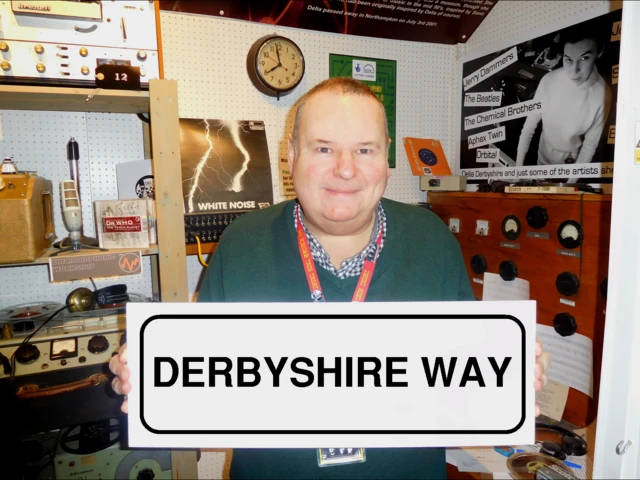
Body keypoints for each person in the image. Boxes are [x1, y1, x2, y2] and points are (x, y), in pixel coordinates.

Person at [111, 77, 551, 479]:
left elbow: (463, 394)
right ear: (292, 156)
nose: (346, 169)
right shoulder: (242, 243)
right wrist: (152, 382)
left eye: (365, 149)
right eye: (323, 148)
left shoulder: (432, 241)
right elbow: (203, 407)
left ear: (386, 158)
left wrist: (514, 375)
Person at [516, 23, 612, 171]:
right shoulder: (549, 80)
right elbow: (529, 128)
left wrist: (570, 183)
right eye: (568, 59)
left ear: (599, 52)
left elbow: (589, 146)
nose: (574, 71)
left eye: (584, 58)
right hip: (543, 155)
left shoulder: (602, 94)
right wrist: (517, 170)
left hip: (572, 163)